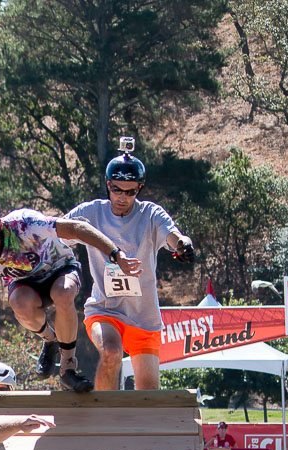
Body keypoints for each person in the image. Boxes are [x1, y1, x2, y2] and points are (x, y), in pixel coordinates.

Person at [0, 192, 141, 394]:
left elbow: (76, 228)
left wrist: (115, 254)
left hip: (60, 267)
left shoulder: (24, 223)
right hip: (27, 284)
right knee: (19, 303)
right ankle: (50, 339)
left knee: (63, 292)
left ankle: (68, 366)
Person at [66, 138, 195, 391]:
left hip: (144, 318)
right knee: (112, 352)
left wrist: (183, 245)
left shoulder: (150, 214)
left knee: (148, 396)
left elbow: (173, 234)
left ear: (140, 188)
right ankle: (104, 423)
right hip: (105, 310)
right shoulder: (91, 213)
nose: (122, 197)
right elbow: (57, 231)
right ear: (107, 185)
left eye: (130, 192)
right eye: (116, 190)